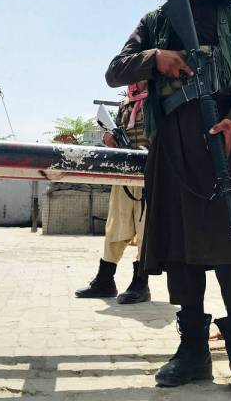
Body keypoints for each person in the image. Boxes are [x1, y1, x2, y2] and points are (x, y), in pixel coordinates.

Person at [105, 0, 231, 399]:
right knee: (182, 251)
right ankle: (192, 351)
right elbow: (114, 70)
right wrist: (156, 57)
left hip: (224, 140)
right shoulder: (156, 21)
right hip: (174, 145)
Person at [75, 81, 151, 304]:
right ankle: (105, 279)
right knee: (115, 224)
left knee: (146, 227)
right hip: (124, 172)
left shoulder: (158, 99)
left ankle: (141, 283)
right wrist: (110, 139)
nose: (133, 80)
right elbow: (116, 133)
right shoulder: (126, 103)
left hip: (150, 172)